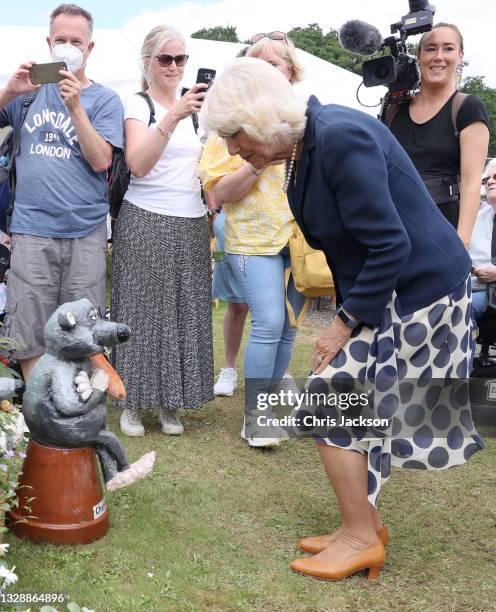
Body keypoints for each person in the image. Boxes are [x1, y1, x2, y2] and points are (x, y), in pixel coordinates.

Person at [201, 57, 484, 581]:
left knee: (332, 399)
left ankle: (361, 536)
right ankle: (364, 527)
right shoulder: (304, 147)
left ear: (262, 119)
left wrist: (344, 322)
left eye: (236, 134)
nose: (234, 148)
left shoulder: (338, 136)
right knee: (342, 402)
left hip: (422, 289)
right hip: (392, 289)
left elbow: (389, 243)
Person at [0, 3, 123, 381]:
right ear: (49, 43)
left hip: (85, 232)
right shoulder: (28, 92)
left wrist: (76, 106)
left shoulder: (105, 100)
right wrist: (8, 91)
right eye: (61, 40)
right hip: (31, 229)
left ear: (90, 48)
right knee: (28, 329)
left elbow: (101, 161)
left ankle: (74, 411)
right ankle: (41, 414)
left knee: (81, 331)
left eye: (76, 41)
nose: (68, 46)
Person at [199, 32, 305, 448]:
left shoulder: (306, 122)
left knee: (289, 330)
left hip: (301, 241)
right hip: (253, 240)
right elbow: (218, 194)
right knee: (270, 322)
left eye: (274, 64)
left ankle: (271, 403)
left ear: (290, 72)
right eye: (256, 64)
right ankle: (255, 418)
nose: (266, 72)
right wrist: (262, 159)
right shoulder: (228, 123)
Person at [111, 25, 213, 438]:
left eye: (181, 58)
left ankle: (173, 403)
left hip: (190, 220)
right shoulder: (137, 104)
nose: (174, 66)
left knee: (184, 311)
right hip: (144, 216)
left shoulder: (199, 109)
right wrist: (173, 115)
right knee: (140, 311)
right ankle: (132, 403)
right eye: (165, 58)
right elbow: (138, 164)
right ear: (148, 62)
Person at [386, 22, 489, 247]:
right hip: (394, 233)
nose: (439, 56)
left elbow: (471, 183)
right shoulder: (394, 109)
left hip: (443, 232)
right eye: (431, 48)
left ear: (460, 55)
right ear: (418, 55)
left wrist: (461, 243)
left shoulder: (466, 107)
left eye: (448, 48)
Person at [211, 208, 249, 396]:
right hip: (231, 224)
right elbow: (211, 183)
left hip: (273, 225)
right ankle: (228, 370)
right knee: (238, 305)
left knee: (277, 307)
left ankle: (281, 371)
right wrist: (215, 212)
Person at [469, 159, 496, 331]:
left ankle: (463, 356)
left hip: (484, 294)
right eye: (486, 179)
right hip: (473, 287)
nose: (490, 181)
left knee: (460, 311)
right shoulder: (476, 218)